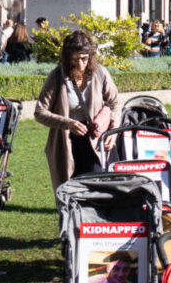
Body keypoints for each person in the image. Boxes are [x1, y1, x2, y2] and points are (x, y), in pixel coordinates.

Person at [34, 30, 119, 187]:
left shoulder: (100, 73)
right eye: (75, 60)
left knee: (99, 186)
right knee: (71, 189)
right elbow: (39, 112)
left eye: (84, 59)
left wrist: (113, 133)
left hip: (96, 137)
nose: (80, 64)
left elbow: (114, 103)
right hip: (67, 141)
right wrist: (67, 123)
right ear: (67, 58)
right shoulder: (57, 77)